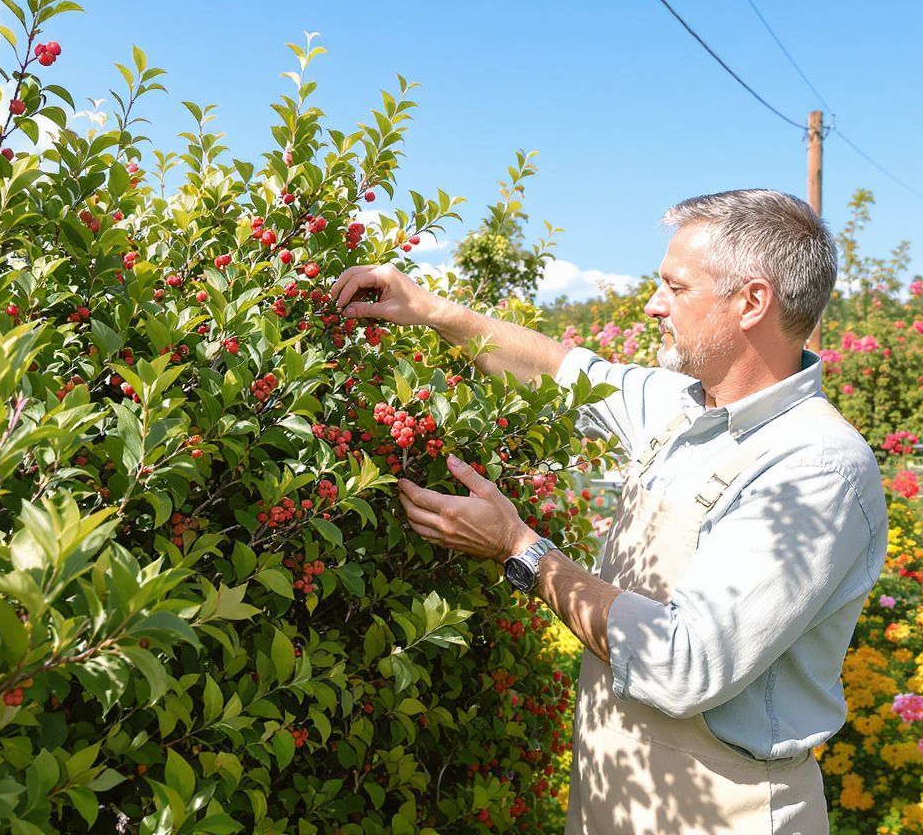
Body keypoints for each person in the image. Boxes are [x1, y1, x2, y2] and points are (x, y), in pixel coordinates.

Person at [329, 189, 888, 834]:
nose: (653, 306)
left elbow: (684, 664)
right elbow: (562, 371)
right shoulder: (684, 408)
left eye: (675, 288)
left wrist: (520, 550)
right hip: (615, 790)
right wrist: (428, 311)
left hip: (721, 813)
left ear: (751, 303)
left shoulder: (815, 468)